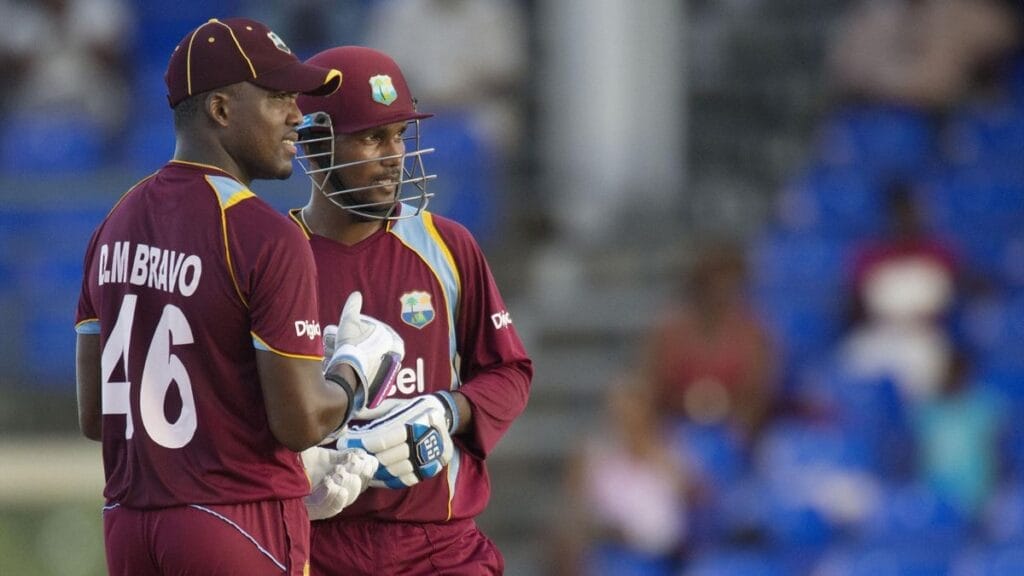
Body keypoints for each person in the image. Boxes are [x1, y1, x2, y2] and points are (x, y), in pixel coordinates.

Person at [74, 18, 403, 576]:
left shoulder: (114, 221)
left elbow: (96, 415)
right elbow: (300, 421)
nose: (298, 115)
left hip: (128, 523)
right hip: (235, 522)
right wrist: (355, 369)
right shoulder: (262, 232)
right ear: (221, 110)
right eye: (278, 98)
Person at [290, 46, 534, 575]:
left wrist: (449, 410)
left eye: (399, 134)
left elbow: (509, 372)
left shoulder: (447, 245)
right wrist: (299, 471)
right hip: (320, 547)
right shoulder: (272, 257)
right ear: (314, 145)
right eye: (372, 137)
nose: (393, 154)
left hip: (441, 548)